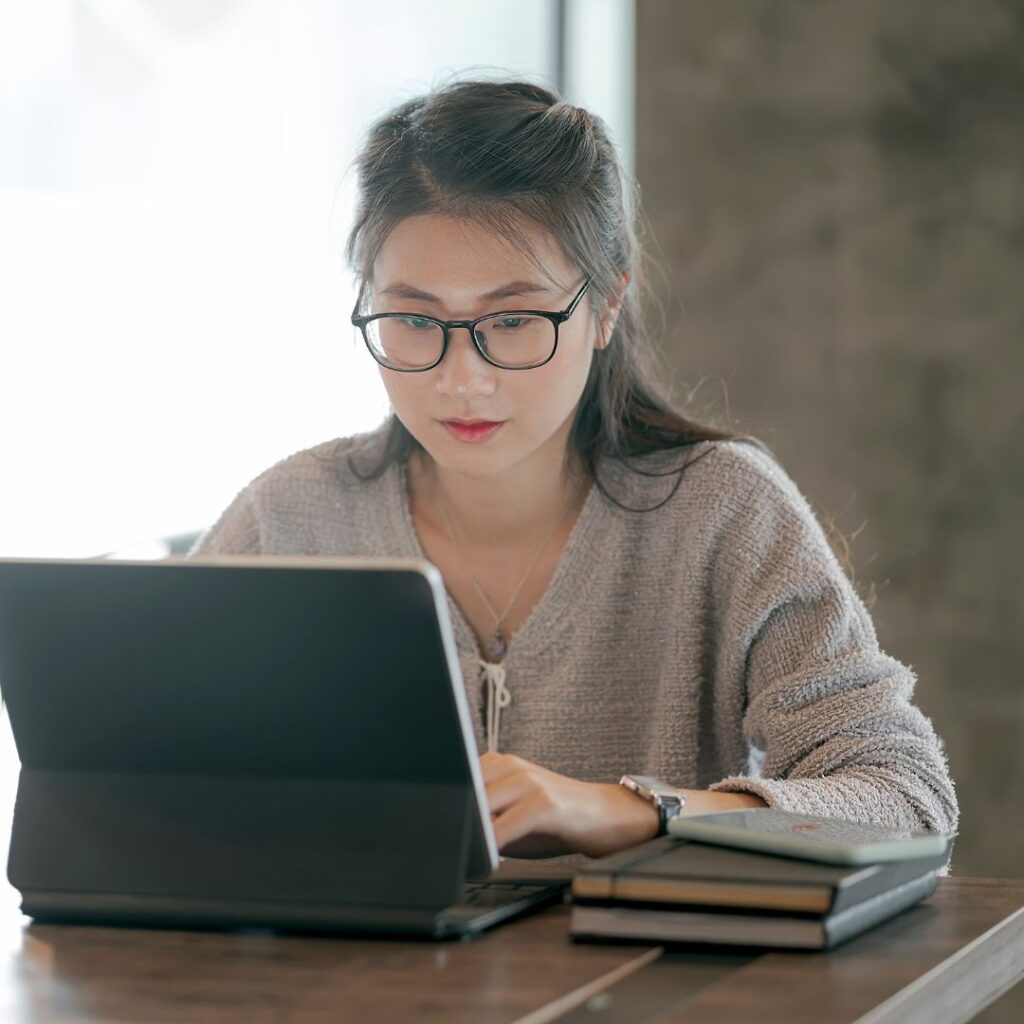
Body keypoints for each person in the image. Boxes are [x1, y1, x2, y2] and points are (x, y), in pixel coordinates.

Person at [188, 78, 959, 868]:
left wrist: (636, 810)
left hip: (649, 985)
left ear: (608, 307)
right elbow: (139, 773)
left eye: (514, 320)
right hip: (352, 982)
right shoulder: (288, 518)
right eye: (416, 319)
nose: (462, 377)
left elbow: (907, 798)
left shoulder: (722, 512)